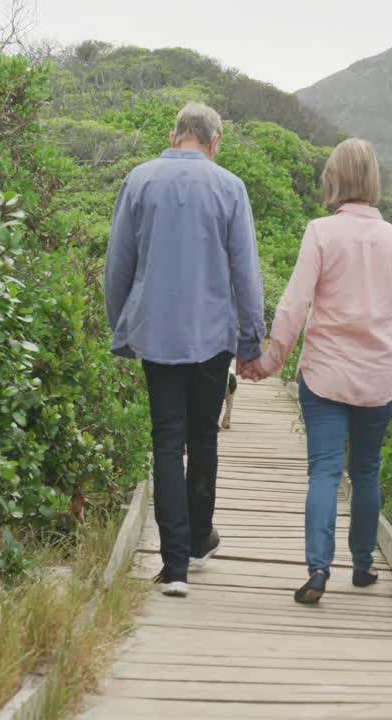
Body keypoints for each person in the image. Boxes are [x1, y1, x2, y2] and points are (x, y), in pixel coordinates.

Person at [240, 138, 392, 604]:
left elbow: (295, 303)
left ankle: (318, 571)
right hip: (377, 377)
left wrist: (270, 360)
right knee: (366, 471)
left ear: (334, 179)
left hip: (324, 375)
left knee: (323, 471)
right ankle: (362, 566)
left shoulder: (320, 232)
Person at [105, 102, 266, 598]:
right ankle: (198, 540)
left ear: (175, 135)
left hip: (156, 334)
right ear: (214, 142)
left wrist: (122, 326)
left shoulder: (139, 181)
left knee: (167, 442)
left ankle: (174, 566)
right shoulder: (230, 188)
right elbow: (246, 272)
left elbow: (118, 265)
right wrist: (250, 339)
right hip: (213, 337)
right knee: (205, 438)